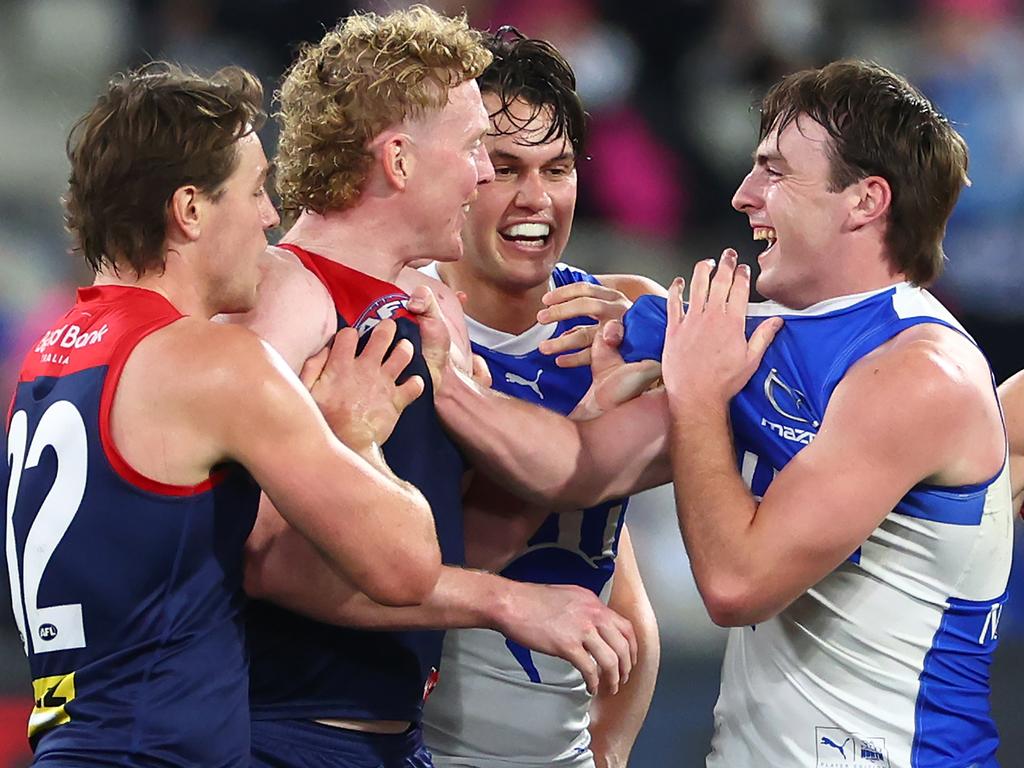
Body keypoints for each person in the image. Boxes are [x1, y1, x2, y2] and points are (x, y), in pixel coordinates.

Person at [429, 59, 1013, 767]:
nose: (743, 195)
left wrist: (697, 395)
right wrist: (611, 365)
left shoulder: (919, 373)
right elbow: (577, 473)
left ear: (864, 201)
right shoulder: (754, 336)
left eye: (775, 172)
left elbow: (737, 585)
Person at [2, 62, 442, 766]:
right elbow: (408, 566)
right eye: (257, 188)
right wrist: (355, 435)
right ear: (190, 209)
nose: (271, 215)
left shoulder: (50, 356)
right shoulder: (210, 365)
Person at [230, 8, 636, 768]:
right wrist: (506, 602)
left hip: (396, 741)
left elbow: (456, 546)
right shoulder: (290, 292)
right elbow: (254, 553)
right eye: (479, 148)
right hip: (285, 731)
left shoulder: (428, 302)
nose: (485, 175)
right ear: (401, 161)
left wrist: (594, 425)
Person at [418, 29, 661, 768]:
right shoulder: (411, 323)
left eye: (557, 168)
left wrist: (608, 751)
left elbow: (619, 583)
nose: (536, 198)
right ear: (456, 171)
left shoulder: (621, 316)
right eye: (505, 167)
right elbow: (419, 568)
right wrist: (577, 448)